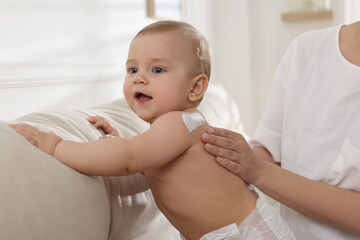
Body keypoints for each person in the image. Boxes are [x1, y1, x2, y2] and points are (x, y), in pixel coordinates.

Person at [10, 21, 296, 239]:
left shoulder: (181, 123)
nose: (139, 79)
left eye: (157, 70)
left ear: (195, 88)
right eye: (132, 70)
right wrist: (118, 142)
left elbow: (128, 159)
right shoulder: (166, 134)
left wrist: (56, 146)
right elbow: (143, 165)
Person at [201, 20, 360, 239]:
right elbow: (267, 150)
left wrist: (259, 171)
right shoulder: (306, 49)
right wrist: (228, 163)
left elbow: (262, 169)